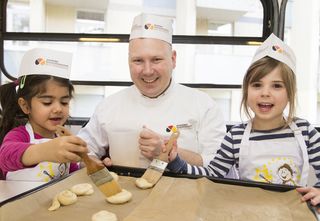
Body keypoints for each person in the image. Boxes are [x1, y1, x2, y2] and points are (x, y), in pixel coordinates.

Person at [167, 33, 320, 209]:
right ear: (246, 91)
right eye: (257, 85)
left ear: (290, 93)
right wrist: (176, 161)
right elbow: (211, 175)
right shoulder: (236, 137)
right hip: (249, 212)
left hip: (292, 213)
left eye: (276, 85)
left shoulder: (305, 132)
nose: (265, 93)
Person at [77, 13, 225, 168]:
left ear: (173, 59)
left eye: (156, 60)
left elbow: (216, 165)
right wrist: (96, 164)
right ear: (128, 62)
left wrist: (166, 150)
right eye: (138, 61)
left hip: (183, 191)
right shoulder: (108, 106)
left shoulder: (203, 105)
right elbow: (82, 152)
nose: (147, 71)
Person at [0, 48, 88, 182]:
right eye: (47, 102)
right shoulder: (20, 135)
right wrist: (45, 151)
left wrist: (86, 165)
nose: (58, 109)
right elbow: (5, 157)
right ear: (25, 106)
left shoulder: (62, 137)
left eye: (64, 102)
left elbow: (71, 173)